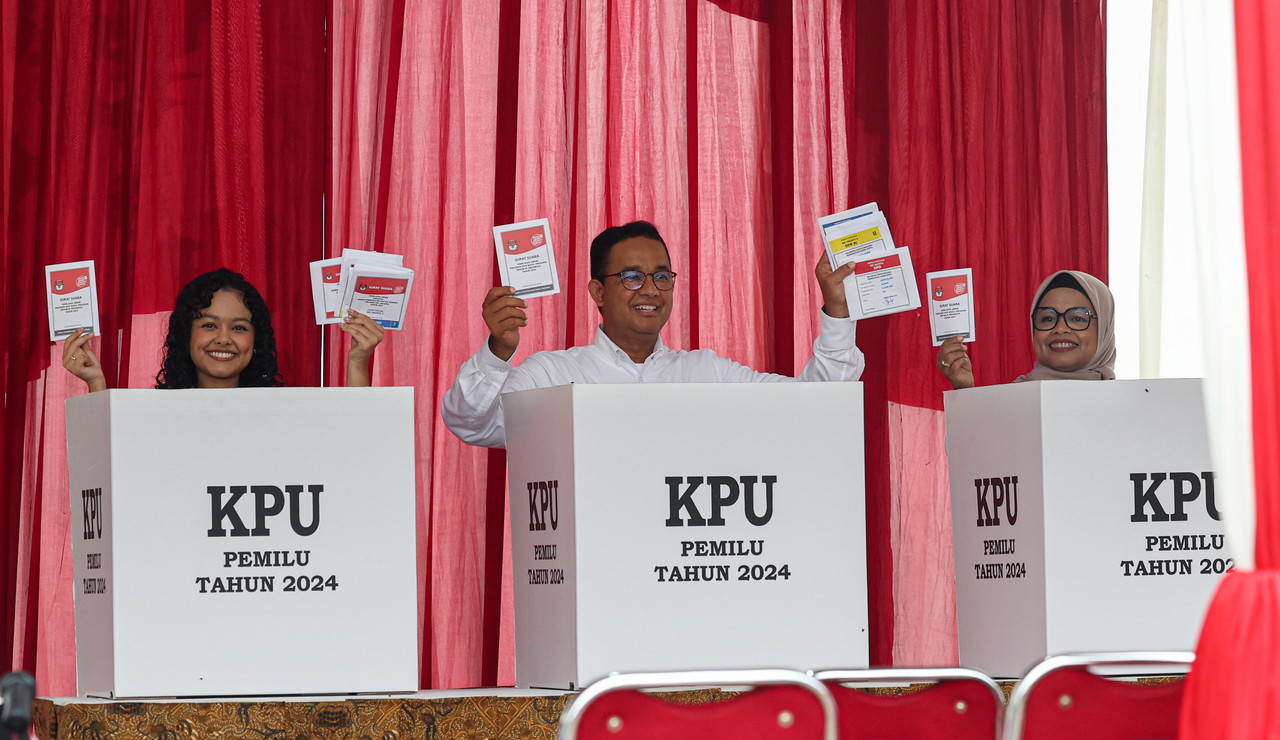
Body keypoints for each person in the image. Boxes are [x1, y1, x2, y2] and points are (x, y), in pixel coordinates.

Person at [442, 220, 865, 447]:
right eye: (631, 276)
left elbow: (820, 405)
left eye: (661, 276)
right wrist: (498, 351)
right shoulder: (551, 374)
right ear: (597, 291)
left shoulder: (708, 373)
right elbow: (472, 425)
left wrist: (838, 311)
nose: (650, 289)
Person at [61, 268, 384, 391]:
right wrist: (96, 382)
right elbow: (107, 464)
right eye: (209, 324)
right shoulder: (153, 415)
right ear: (185, 334)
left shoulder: (283, 416)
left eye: (240, 327)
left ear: (257, 340)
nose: (224, 339)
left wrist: (358, 362)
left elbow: (352, 442)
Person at [936, 269, 1115, 389]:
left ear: (1104, 330)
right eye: (1048, 318)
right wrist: (964, 391)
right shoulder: (1011, 402)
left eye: (1077, 318)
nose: (1060, 329)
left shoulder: (1130, 406)